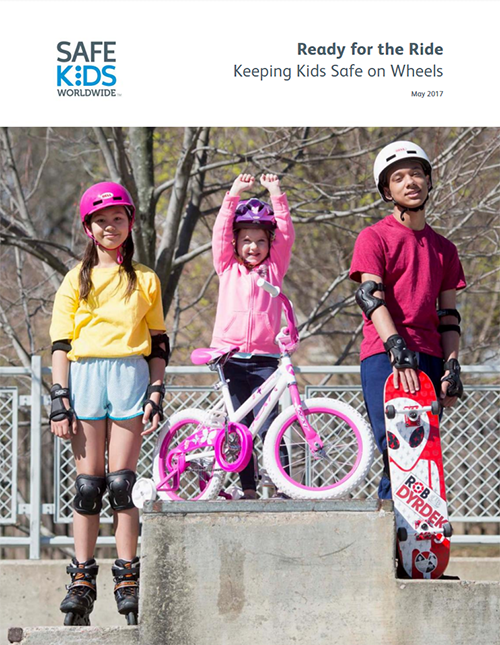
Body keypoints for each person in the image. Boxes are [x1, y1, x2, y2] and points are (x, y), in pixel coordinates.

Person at [49, 181, 169, 625]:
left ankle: (128, 577)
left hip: (129, 374)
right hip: (85, 377)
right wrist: (60, 398)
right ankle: (81, 579)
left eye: (118, 218)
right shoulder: (74, 280)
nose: (110, 226)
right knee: (88, 486)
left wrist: (156, 390)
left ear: (130, 223)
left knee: (122, 483)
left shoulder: (145, 279)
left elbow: (158, 344)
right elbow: (61, 343)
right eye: (101, 220)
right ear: (89, 228)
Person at [349, 141, 466, 499]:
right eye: (398, 177)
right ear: (387, 191)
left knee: (421, 455)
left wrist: (452, 366)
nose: (410, 182)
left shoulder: (445, 249)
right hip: (386, 355)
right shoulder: (374, 237)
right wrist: (397, 349)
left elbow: (448, 317)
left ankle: (408, 549)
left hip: (430, 355)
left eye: (417, 173)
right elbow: (370, 298)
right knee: (397, 452)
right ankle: (390, 541)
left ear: (429, 181)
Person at [211, 173, 295, 499]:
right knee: (241, 427)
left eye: (261, 241)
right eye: (246, 240)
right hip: (230, 358)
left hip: (265, 359)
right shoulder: (227, 268)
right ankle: (247, 488)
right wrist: (233, 193)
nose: (253, 247)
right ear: (236, 243)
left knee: (272, 424)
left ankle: (285, 486)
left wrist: (276, 193)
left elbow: (285, 235)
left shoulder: (274, 269)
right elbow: (219, 233)